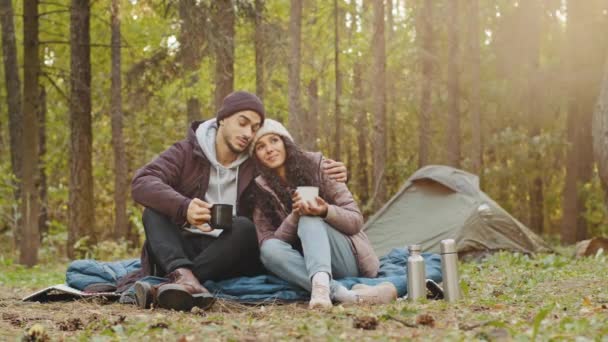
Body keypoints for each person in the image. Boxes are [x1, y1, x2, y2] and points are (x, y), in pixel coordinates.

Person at [130, 91, 348, 310]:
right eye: (242, 123)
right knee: (153, 213)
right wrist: (184, 207)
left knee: (245, 228)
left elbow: (288, 159)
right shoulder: (186, 152)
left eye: (254, 128)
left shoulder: (254, 164)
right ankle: (183, 278)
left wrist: (323, 169)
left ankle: (177, 283)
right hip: (181, 247)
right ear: (222, 119)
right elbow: (142, 182)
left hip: (228, 252)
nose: (248, 133)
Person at [250, 119, 397, 309]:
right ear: (256, 156)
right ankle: (344, 295)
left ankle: (322, 288)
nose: (269, 149)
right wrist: (294, 216)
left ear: (286, 142)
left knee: (310, 217)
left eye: (274, 140)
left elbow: (355, 221)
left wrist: (325, 211)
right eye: (261, 147)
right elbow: (275, 245)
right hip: (302, 263)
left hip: (344, 259)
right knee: (268, 250)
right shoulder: (260, 190)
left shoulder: (319, 165)